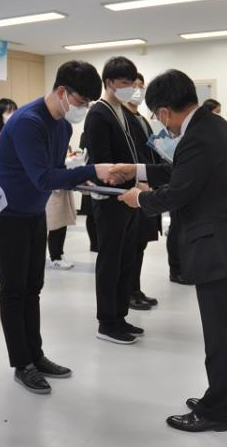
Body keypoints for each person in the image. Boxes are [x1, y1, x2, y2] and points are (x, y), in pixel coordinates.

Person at [110, 69, 227, 433]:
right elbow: (185, 172)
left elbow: (178, 192)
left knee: (221, 334)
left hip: (219, 249)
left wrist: (138, 198)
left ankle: (217, 411)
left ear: (164, 112)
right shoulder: (214, 125)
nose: (162, 124)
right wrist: (136, 169)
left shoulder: (197, 137)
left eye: (158, 117)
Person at [0, 60, 112, 394]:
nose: (82, 108)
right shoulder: (28, 122)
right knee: (14, 291)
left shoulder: (63, 127)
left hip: (32, 212)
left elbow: (56, 174)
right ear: (62, 92)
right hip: (6, 215)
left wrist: (85, 179)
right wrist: (93, 170)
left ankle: (35, 355)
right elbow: (43, 177)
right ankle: (21, 363)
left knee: (33, 287)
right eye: (81, 101)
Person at [84, 56, 145, 344]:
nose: (130, 88)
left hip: (129, 198)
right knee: (110, 261)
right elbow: (103, 163)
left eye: (132, 83)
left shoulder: (123, 111)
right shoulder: (99, 113)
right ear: (109, 82)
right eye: (124, 83)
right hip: (110, 199)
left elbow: (133, 154)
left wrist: (140, 179)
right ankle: (106, 322)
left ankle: (120, 315)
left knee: (126, 259)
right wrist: (129, 179)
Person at [123, 73, 159, 310]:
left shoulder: (142, 119)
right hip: (134, 188)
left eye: (141, 86)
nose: (138, 90)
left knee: (141, 243)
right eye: (132, 85)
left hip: (148, 186)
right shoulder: (123, 118)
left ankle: (135, 287)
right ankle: (128, 291)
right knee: (131, 245)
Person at [78, 130, 98, 252]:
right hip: (89, 176)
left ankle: (97, 243)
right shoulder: (86, 134)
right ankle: (94, 244)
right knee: (91, 213)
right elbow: (81, 155)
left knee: (96, 214)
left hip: (99, 175)